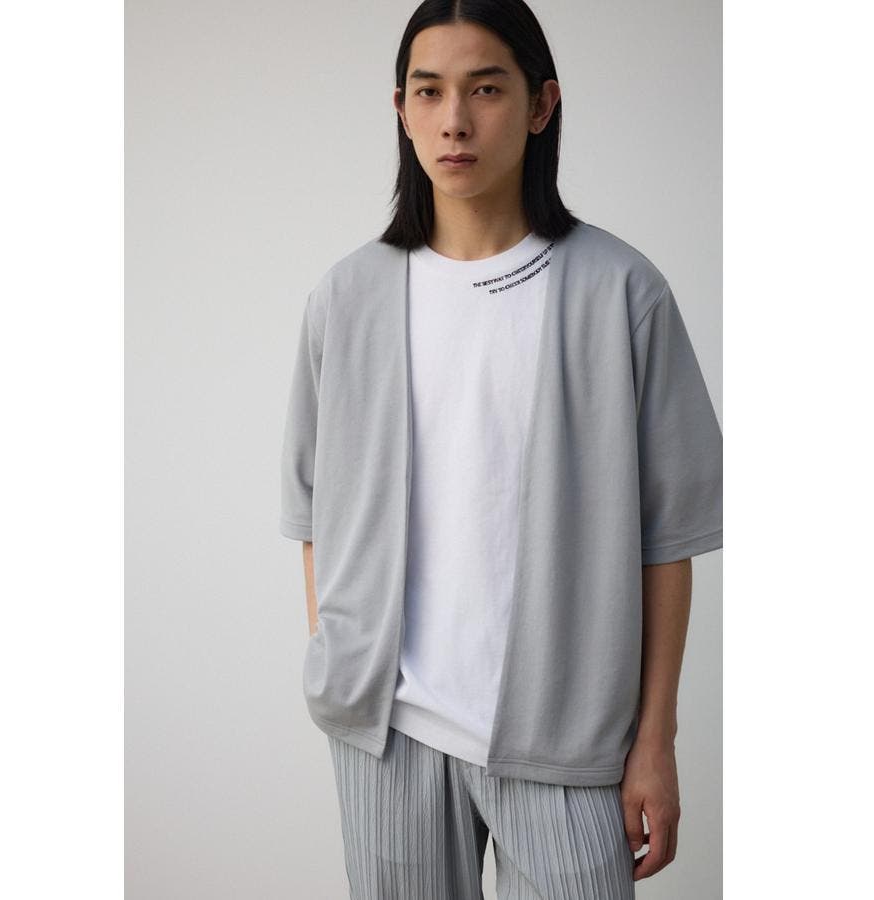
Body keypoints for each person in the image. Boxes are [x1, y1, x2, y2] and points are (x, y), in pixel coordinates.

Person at [280, 1, 723, 897]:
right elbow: (315, 512)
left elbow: (667, 538)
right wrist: (346, 665)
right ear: (401, 110)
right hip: (389, 734)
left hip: (568, 738)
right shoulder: (348, 298)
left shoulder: (620, 292)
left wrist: (655, 740)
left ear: (540, 105)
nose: (454, 120)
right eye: (428, 91)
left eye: (485, 89)